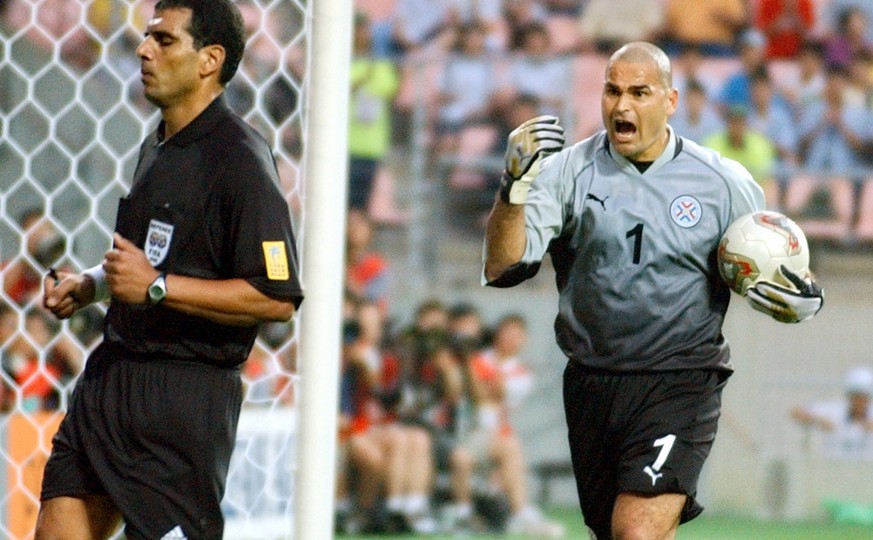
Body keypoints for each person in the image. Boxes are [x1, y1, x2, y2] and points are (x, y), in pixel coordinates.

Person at [482, 41, 824, 539]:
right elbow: (502, 267)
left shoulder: (724, 183)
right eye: (612, 90)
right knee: (627, 533)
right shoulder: (565, 173)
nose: (622, 106)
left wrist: (804, 299)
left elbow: (776, 268)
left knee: (636, 532)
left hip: (680, 378)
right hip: (592, 381)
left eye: (639, 92)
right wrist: (512, 189)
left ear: (670, 101)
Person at [34, 1, 304, 539]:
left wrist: (157, 288)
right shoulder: (157, 144)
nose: (143, 49)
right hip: (111, 380)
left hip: (182, 407)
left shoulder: (242, 161)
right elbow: (149, 261)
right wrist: (91, 286)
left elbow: (276, 297)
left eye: (163, 40)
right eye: (146, 37)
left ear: (209, 60)